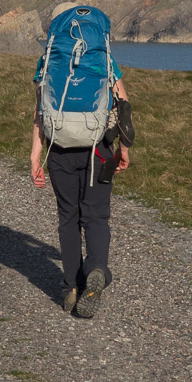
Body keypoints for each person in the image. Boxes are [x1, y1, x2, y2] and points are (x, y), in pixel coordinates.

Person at [30, 61, 131, 318]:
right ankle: (96, 268)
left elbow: (41, 110)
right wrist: (124, 150)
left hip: (59, 149)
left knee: (68, 217)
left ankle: (72, 288)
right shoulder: (103, 58)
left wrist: (35, 154)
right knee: (96, 217)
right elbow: (124, 107)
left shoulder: (50, 58)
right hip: (98, 150)